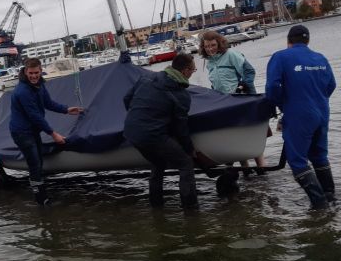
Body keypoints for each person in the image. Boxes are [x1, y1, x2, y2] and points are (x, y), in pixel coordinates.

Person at [265, 24, 336, 208]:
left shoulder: (280, 57)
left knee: (297, 160)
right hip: (322, 112)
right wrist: (316, 99)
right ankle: (331, 198)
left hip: (299, 114)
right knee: (319, 155)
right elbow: (331, 85)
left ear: (288, 41)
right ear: (308, 40)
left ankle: (320, 205)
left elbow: (272, 87)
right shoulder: (321, 58)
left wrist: (281, 104)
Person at [123, 52, 199, 209]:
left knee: (158, 163)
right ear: (185, 71)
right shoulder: (181, 94)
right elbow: (181, 127)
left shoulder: (147, 77)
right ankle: (190, 209)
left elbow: (126, 99)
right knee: (185, 163)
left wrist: (137, 116)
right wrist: (189, 149)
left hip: (131, 132)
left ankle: (156, 206)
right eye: (193, 70)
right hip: (153, 135)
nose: (193, 73)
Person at [9, 57, 83, 205]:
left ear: (41, 71)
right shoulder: (22, 91)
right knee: (35, 163)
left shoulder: (39, 85)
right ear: (25, 71)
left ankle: (41, 188)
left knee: (39, 161)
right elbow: (35, 116)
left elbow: (48, 103)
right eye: (31, 73)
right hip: (21, 132)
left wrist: (66, 110)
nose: (34, 76)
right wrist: (53, 134)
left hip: (32, 130)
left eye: (36, 72)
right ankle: (41, 200)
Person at [198, 29, 266, 172]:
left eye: (213, 45)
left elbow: (249, 71)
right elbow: (216, 82)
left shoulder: (230, 55)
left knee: (249, 132)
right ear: (203, 47)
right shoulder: (209, 62)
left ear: (219, 44)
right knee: (236, 135)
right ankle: (245, 169)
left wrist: (243, 85)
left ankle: (261, 167)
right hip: (225, 103)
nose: (210, 49)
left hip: (241, 98)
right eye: (207, 46)